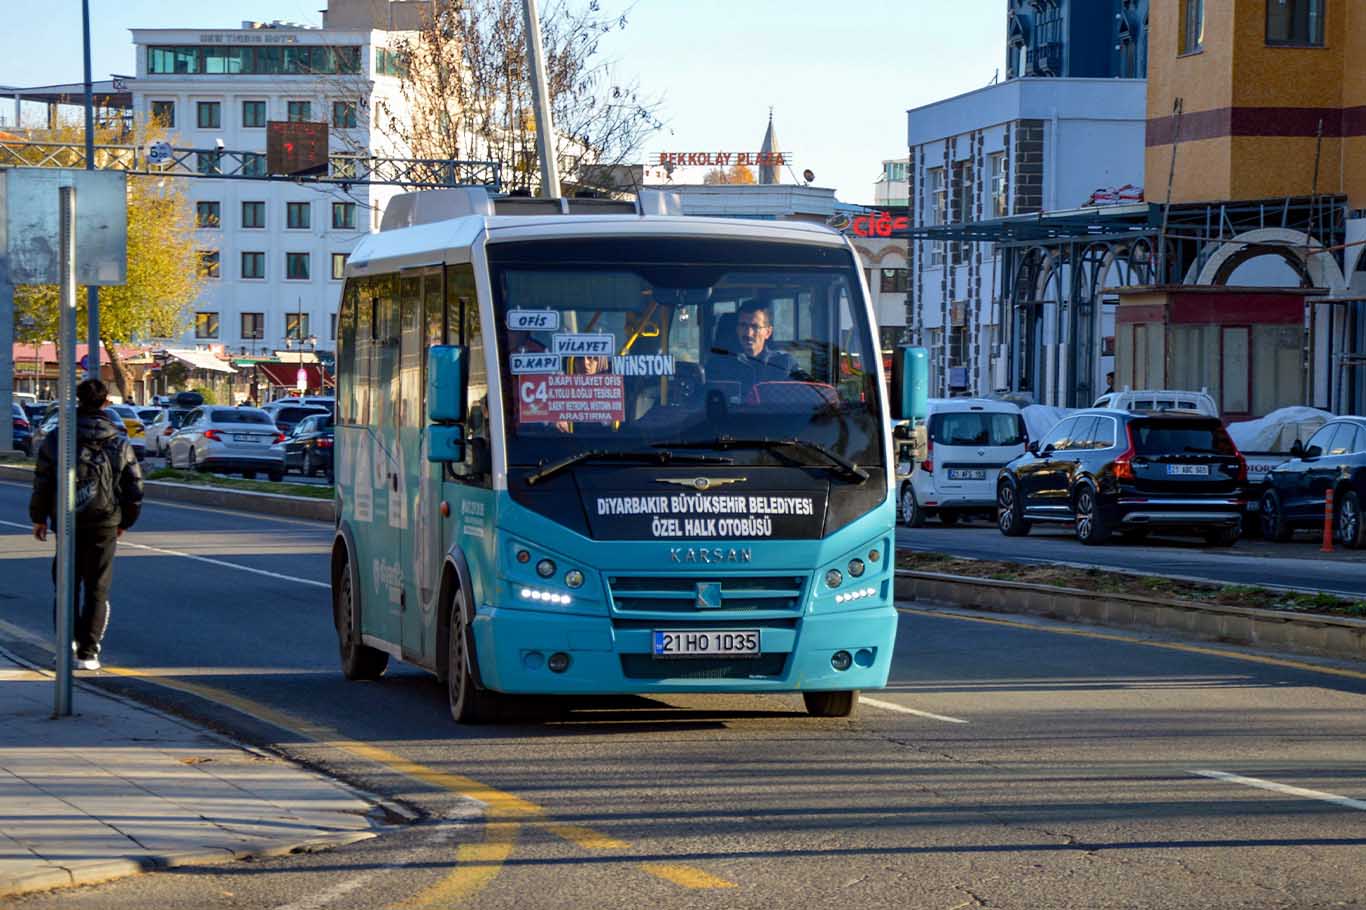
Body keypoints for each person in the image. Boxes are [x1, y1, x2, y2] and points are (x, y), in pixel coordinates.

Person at [29, 378, 144, 671]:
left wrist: (39, 518)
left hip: (67, 520)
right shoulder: (118, 440)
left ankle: (64, 648)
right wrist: (124, 521)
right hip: (105, 521)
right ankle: (88, 654)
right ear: (106, 403)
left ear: (78, 401)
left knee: (66, 586)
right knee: (97, 589)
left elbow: (43, 481)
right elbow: (134, 487)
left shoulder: (59, 438)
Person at [705, 300, 797, 395]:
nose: (748, 333)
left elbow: (803, 400)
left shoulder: (785, 364)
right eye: (743, 325)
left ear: (768, 332)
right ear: (737, 329)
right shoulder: (717, 366)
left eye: (755, 327)